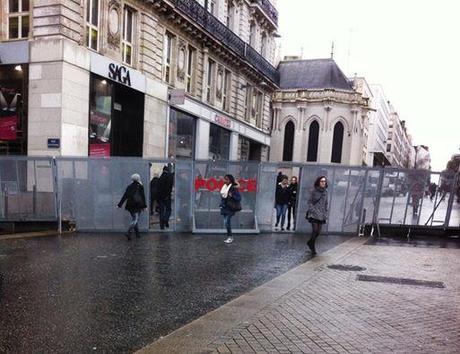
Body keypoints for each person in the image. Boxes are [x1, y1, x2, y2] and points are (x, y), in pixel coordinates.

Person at [117, 173, 147, 240]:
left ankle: (137, 234)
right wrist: (144, 206)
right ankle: (129, 231)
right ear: (138, 178)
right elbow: (143, 197)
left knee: (134, 219)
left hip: (130, 205)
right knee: (135, 220)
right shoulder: (140, 186)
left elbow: (125, 196)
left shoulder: (129, 186)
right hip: (137, 205)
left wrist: (119, 205)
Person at [306, 176, 328, 255]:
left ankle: (310, 242)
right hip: (314, 214)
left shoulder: (325, 192)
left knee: (318, 232)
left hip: (321, 214)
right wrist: (313, 210)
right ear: (318, 182)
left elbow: (326, 203)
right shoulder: (314, 191)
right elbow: (309, 202)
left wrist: (325, 213)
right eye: (321, 181)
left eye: (324, 181)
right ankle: (312, 247)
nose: (323, 183)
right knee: (315, 230)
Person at [220, 174, 241, 244]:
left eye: (227, 179)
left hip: (231, 207)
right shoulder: (224, 187)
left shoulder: (233, 188)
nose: (225, 181)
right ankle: (229, 237)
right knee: (226, 222)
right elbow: (223, 197)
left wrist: (232, 196)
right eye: (224, 179)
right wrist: (221, 205)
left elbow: (239, 198)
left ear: (230, 180)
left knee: (226, 222)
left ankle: (230, 237)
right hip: (225, 207)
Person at [157, 165, 174, 229]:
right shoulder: (169, 177)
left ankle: (162, 226)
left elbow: (157, 189)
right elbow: (169, 188)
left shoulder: (160, 178)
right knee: (168, 210)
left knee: (161, 211)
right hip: (167, 197)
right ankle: (165, 219)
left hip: (160, 198)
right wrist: (167, 195)